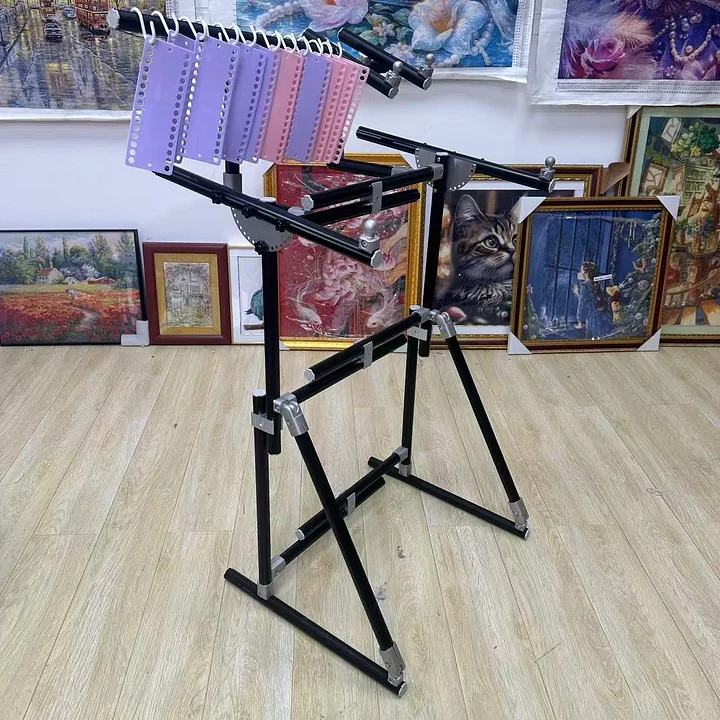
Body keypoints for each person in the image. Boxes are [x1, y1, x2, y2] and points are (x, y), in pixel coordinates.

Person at [573, 261, 612, 339]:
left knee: (589, 338)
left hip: (592, 319)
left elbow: (582, 305)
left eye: (581, 271)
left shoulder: (584, 286)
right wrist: (578, 294)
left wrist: (580, 321)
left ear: (586, 273)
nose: (579, 273)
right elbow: (589, 300)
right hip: (601, 317)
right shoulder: (596, 285)